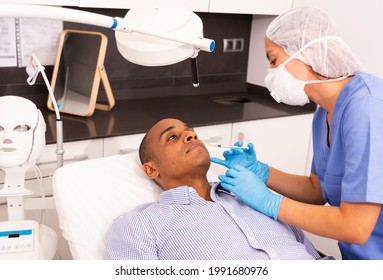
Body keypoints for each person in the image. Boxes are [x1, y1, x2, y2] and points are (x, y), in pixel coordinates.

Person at [212, 6, 383, 260]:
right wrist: (262, 171)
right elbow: (317, 189)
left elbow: (355, 226)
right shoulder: (323, 113)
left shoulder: (368, 107)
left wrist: (269, 202)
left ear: (306, 51)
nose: (271, 73)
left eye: (273, 60)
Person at [105, 118, 331, 260]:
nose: (191, 135)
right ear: (152, 170)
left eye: (190, 131)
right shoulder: (141, 225)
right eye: (172, 137)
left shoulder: (253, 196)